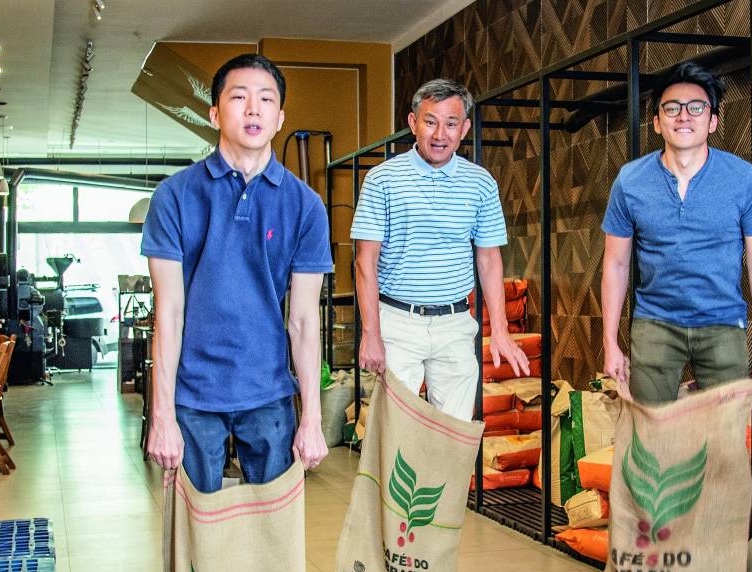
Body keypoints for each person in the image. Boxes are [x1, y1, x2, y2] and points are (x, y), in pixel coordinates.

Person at [142, 53, 330, 491]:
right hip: (192, 396)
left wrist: (313, 420)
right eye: (239, 97)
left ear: (280, 117)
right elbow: (167, 316)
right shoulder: (174, 197)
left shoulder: (306, 207)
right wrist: (162, 414)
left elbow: (303, 321)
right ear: (215, 112)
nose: (252, 109)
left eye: (266, 99)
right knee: (193, 541)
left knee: (273, 539)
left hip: (269, 393)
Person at [350, 78, 530, 421]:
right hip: (398, 322)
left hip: (455, 323)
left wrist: (502, 331)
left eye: (450, 124)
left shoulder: (480, 183)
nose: (440, 134)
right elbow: (365, 262)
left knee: (454, 434)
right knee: (396, 433)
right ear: (412, 123)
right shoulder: (382, 180)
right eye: (430, 122)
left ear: (463, 129)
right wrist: (371, 334)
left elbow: (489, 259)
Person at [601, 61, 752, 405]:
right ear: (656, 122)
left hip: (723, 323)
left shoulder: (744, 180)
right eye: (672, 108)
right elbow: (615, 265)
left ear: (712, 121)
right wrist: (610, 342)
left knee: (725, 440)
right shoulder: (630, 181)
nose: (684, 116)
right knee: (647, 438)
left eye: (696, 108)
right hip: (654, 323)